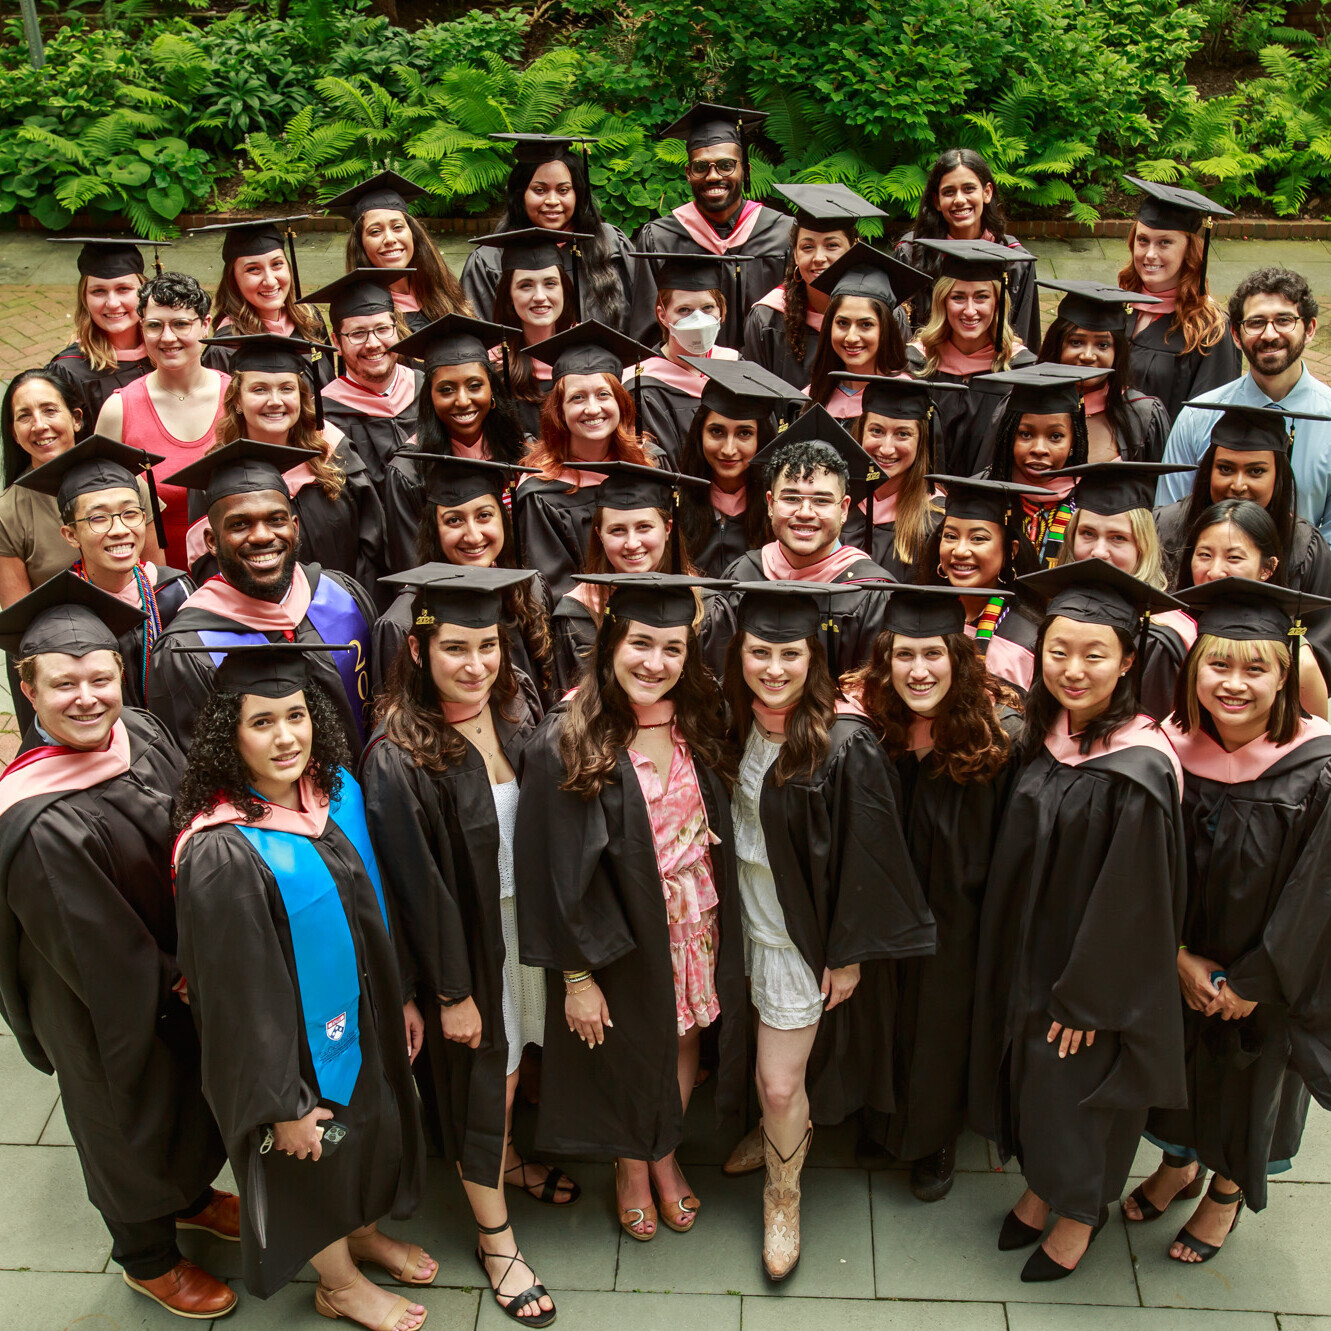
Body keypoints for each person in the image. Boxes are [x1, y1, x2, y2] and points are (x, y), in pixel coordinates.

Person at [0, 574, 237, 1320]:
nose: (88, 696)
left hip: (177, 965)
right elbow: (96, 946)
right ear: (27, 688)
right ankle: (147, 1256)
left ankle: (192, 1195)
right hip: (102, 998)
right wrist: (182, 976)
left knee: (188, 1091)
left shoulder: (139, 726)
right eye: (63, 682)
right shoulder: (38, 819)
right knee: (127, 1112)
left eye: (100, 675)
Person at [172, 642, 431, 1321]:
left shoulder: (320, 799)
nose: (286, 736)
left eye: (296, 715)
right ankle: (337, 1283)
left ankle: (363, 1232)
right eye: (262, 722)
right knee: (313, 1159)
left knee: (359, 1138)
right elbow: (235, 1002)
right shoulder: (224, 849)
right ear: (229, 734)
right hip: (292, 1063)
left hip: (352, 1024)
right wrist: (280, 1103)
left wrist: (394, 995)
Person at [970, 559, 1189, 1282]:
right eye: (1058, 650)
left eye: (1094, 654)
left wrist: (1091, 995)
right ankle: (1042, 1186)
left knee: (1077, 1088)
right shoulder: (1049, 730)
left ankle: (1078, 1213)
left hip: (1085, 976)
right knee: (1034, 1078)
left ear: (1128, 659)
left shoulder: (1140, 763)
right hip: (1031, 950)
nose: (1072, 668)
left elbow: (1136, 899)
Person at [515, 572, 749, 1244]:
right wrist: (577, 976)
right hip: (616, 932)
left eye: (672, 648)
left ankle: (663, 1151)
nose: (655, 662)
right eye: (640, 642)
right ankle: (630, 1168)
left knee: (679, 1039)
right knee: (628, 1047)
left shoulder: (697, 718)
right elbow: (551, 872)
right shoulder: (570, 737)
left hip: (691, 920)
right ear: (611, 640)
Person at [362, 566, 564, 1326]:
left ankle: (506, 1159)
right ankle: (495, 1236)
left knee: (521, 1067)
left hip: (525, 925)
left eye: (488, 644)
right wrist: (451, 991)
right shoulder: (397, 754)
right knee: (493, 1080)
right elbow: (415, 890)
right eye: (455, 647)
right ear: (419, 651)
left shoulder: (512, 707)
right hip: (468, 947)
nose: (475, 662)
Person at [722, 581, 933, 1278]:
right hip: (733, 923)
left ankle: (782, 1194)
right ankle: (773, 1130)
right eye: (759, 651)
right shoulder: (734, 719)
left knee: (780, 1081)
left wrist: (847, 955)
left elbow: (870, 853)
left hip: (795, 935)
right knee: (759, 1053)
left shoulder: (844, 742)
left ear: (814, 656)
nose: (773, 668)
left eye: (789, 653)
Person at [1132, 580, 1331, 1265]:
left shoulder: (1318, 767)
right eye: (1217, 664)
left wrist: (1254, 978)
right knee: (1178, 1068)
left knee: (1253, 1077)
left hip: (1266, 977)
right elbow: (1139, 869)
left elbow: (1318, 893)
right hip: (1182, 960)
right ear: (1192, 671)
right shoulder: (1166, 748)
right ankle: (1179, 1163)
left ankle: (1225, 1189)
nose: (1234, 683)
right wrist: (1177, 953)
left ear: (1286, 674)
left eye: (1256, 667)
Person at [843, 583, 1020, 1200]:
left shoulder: (996, 737)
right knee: (887, 1011)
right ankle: (886, 1119)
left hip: (958, 917)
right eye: (904, 656)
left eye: (934, 655)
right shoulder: (875, 728)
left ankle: (935, 1136)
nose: (919, 672)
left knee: (942, 1021)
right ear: (885, 661)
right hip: (890, 906)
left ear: (959, 658)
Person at [147, 440, 375, 754]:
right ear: (212, 541)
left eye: (276, 520)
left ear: (295, 528)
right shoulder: (189, 649)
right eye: (240, 524)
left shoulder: (342, 595)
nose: (262, 535)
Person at [198, 333, 384, 597]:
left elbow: (372, 546)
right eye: (259, 389)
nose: (275, 401)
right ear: (237, 400)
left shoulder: (334, 452)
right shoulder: (213, 472)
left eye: (286, 388)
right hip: (253, 623)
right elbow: (206, 563)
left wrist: (353, 605)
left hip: (340, 610)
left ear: (301, 396)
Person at [17, 435, 192, 709]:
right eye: (98, 518)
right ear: (71, 535)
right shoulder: (61, 610)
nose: (120, 529)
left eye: (130, 513)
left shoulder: (176, 591)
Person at [1156, 267, 1331, 537]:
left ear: (1309, 329)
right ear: (1236, 335)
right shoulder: (1197, 416)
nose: (1270, 335)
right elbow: (1170, 522)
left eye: (1284, 320)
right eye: (1256, 322)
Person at [721, 407, 894, 672]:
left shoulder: (871, 592)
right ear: (770, 504)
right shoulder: (743, 574)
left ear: (844, 508)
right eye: (791, 498)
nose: (805, 513)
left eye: (822, 500)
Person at [372, 457, 554, 708]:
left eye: (484, 515)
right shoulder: (403, 621)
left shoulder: (530, 588)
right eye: (454, 520)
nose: (473, 535)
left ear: (503, 519)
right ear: (434, 530)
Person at [549, 460, 731, 691]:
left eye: (644, 527)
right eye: (617, 530)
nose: (632, 543)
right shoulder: (577, 614)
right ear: (599, 534)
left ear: (667, 529)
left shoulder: (705, 607)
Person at [515, 321, 659, 598]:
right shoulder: (540, 493)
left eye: (603, 394)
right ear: (559, 410)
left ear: (621, 402)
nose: (592, 409)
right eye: (577, 398)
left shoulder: (650, 464)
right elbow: (552, 590)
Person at [629, 104, 789, 348]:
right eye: (701, 167)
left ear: (744, 170)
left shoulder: (781, 233)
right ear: (688, 173)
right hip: (685, 376)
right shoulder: (660, 238)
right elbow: (648, 327)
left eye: (726, 165)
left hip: (767, 375)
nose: (713, 176)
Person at [378, 315, 527, 574]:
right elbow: (411, 565)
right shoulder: (409, 471)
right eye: (446, 390)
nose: (462, 400)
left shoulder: (522, 453)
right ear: (430, 398)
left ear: (492, 390)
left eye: (475, 386)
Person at [1051, 460, 1198, 721]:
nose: (1098, 552)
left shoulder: (1157, 639)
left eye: (1118, 538)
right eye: (1087, 533)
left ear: (1142, 546)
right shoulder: (1057, 611)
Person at [95, 271, 229, 557]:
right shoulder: (119, 411)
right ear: (142, 327)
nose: (168, 338)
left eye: (181, 324)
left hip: (233, 573)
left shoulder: (236, 398)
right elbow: (101, 501)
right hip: (156, 579)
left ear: (205, 325)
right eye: (155, 326)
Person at [1169, 498, 1329, 718]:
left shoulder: (1297, 660)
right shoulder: (1168, 634)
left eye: (1233, 557)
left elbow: (1317, 744)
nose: (1215, 571)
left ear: (1267, 568)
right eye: (1204, 555)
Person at [1154, 402, 1331, 597]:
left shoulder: (1303, 545)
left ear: (1278, 477)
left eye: (1256, 471)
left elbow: (1319, 625)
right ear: (1208, 470)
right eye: (1225, 469)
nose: (1238, 486)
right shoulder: (1165, 527)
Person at [464, 136, 641, 331]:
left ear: (578, 193)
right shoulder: (490, 259)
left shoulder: (609, 244)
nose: (552, 200)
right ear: (520, 194)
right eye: (539, 190)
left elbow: (642, 320)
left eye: (563, 190)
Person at [905, 238, 1037, 476]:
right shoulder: (916, 363)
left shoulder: (1021, 370)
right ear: (942, 301)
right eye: (958, 297)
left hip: (992, 501)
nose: (969, 310)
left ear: (998, 303)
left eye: (981, 297)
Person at [1118, 177, 1242, 423]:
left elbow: (1208, 422)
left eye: (1165, 242)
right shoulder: (1118, 306)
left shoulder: (1210, 330)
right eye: (1143, 240)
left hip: (1165, 458)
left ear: (1189, 250)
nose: (1150, 254)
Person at [744, 183, 889, 389]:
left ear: (853, 249)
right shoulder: (767, 318)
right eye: (807, 247)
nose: (819, 258)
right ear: (794, 254)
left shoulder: (883, 312)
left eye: (832, 245)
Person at [894, 148, 1041, 346]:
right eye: (949, 192)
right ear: (936, 201)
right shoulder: (912, 254)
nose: (959, 200)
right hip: (922, 367)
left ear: (987, 193)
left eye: (969, 189)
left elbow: (1024, 336)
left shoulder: (1014, 261)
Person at [917, 475, 1049, 692]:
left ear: (1011, 551)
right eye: (950, 536)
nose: (959, 551)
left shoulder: (1027, 640)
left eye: (978, 538)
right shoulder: (919, 616)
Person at [677, 359, 801, 577]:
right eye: (717, 431)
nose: (728, 449)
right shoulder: (675, 505)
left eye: (744, 433)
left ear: (760, 439)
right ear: (699, 434)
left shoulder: (781, 510)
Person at [306, 269, 424, 496]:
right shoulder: (322, 417)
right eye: (358, 333)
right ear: (337, 342)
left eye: (382, 329)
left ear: (396, 330)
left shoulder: (428, 391)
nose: (373, 343)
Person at [976, 366, 1107, 566]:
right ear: (1008, 436)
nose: (1039, 449)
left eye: (1055, 436)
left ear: (1073, 441)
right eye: (1025, 434)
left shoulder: (1092, 501)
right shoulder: (982, 492)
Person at [187, 217, 335, 393]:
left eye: (277, 264)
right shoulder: (225, 348)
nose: (270, 281)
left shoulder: (309, 318)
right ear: (233, 279)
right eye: (253, 269)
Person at [625, 251, 746, 461]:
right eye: (684, 310)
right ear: (663, 316)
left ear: (722, 311)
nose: (698, 319)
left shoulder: (737, 368)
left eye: (708, 308)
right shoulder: (641, 385)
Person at [840, 375, 963, 582]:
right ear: (860, 433)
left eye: (903, 434)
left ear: (921, 441)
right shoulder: (836, 505)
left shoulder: (937, 521)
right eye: (876, 431)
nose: (886, 449)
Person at [1036, 279, 1172, 462]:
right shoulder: (1025, 403)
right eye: (1076, 342)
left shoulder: (1142, 415)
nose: (1088, 355)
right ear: (1057, 344)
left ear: (1118, 353)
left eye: (1103, 345)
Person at [327, 170, 472, 334]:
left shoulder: (440, 288)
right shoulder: (362, 310)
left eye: (397, 227)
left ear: (413, 233)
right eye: (375, 231)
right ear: (360, 245)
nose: (389, 239)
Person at [45, 236, 161, 426]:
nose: (112, 303)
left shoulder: (164, 351)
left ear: (144, 292)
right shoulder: (68, 372)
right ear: (85, 298)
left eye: (123, 289)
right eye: (98, 291)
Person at [476, 228, 581, 438]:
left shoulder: (588, 352)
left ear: (564, 290)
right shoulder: (493, 365)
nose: (540, 296)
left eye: (550, 283)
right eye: (526, 286)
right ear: (509, 297)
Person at [803, 243, 926, 421]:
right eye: (842, 323)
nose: (851, 337)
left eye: (866, 325)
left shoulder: (907, 397)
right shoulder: (811, 397)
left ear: (886, 330)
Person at [1, 370, 89, 605]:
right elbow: (19, 618)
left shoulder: (127, 482)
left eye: (50, 410)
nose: (39, 425)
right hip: (58, 638)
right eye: (24, 416)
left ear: (76, 419)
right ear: (14, 434)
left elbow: (158, 585)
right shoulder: (7, 513)